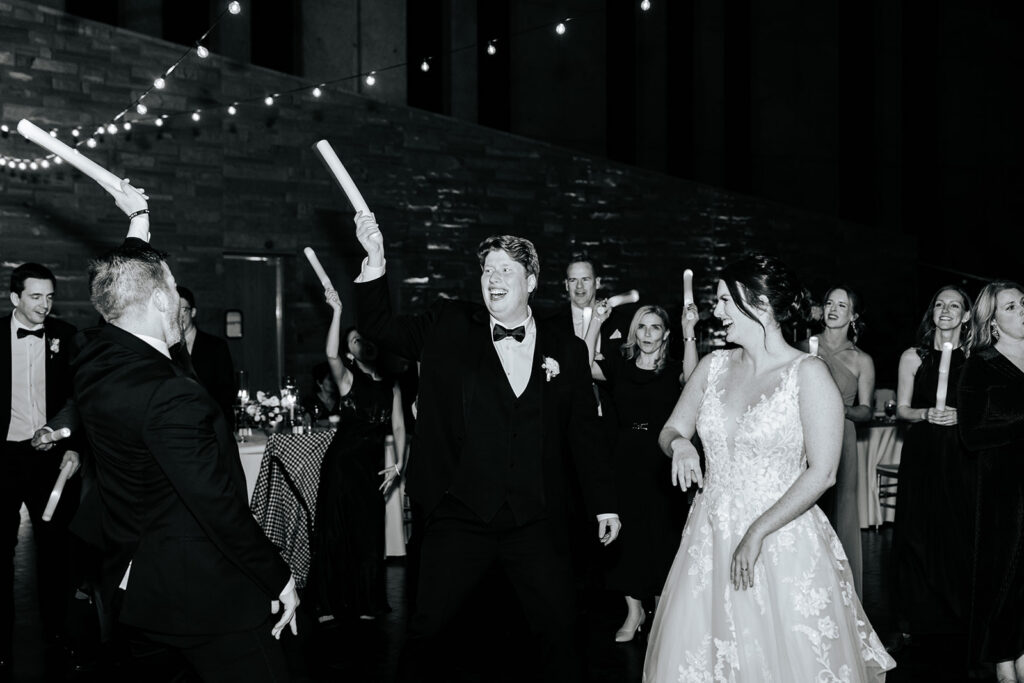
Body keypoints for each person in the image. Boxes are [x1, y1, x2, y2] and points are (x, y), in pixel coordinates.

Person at [350, 214, 619, 682]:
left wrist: (604, 504)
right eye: (487, 270)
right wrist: (375, 260)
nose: (493, 278)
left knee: (560, 631)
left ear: (530, 282)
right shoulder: (448, 323)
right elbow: (379, 326)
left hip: (535, 518)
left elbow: (583, 434)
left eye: (505, 270)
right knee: (428, 631)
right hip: (461, 512)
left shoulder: (567, 349)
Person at [70, 181, 298, 681]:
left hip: (134, 585)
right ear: (157, 299)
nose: (179, 297)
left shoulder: (95, 363)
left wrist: (139, 223)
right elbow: (216, 505)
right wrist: (277, 576)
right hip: (199, 594)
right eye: (173, 290)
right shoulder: (170, 394)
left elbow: (121, 289)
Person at [644, 254, 894, 681]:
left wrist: (757, 530)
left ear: (759, 303)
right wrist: (680, 444)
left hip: (781, 535)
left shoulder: (808, 374)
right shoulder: (712, 366)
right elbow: (670, 429)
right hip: (710, 534)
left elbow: (823, 472)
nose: (716, 311)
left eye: (725, 300)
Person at [586, 301, 698, 642]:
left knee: (663, 536)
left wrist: (689, 332)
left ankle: (661, 614)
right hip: (624, 461)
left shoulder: (676, 368)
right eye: (642, 327)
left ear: (665, 334)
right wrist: (596, 321)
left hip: (663, 461)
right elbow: (582, 364)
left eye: (655, 327)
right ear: (635, 332)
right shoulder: (620, 367)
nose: (648, 334)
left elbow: (695, 381)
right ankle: (634, 612)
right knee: (629, 538)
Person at [306, 288, 405, 622]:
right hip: (342, 466)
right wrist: (336, 312)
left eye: (363, 337)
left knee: (368, 533)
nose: (360, 341)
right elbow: (329, 353)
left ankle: (366, 602)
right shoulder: (348, 378)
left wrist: (399, 463)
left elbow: (399, 427)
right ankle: (328, 604)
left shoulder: (391, 384)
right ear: (350, 353)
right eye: (354, 340)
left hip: (371, 469)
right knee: (335, 532)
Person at [1, 263, 81, 672]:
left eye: (49, 297)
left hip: (49, 457)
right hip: (3, 458)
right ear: (15, 297)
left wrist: (71, 444)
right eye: (35, 297)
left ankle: (57, 638)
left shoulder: (67, 336)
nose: (44, 305)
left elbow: (80, 400)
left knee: (55, 553)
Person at [890, 285, 975, 648]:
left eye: (954, 305)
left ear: (966, 315)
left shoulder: (977, 358)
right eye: (939, 304)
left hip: (960, 451)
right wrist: (925, 413)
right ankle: (911, 618)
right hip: (922, 451)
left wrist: (962, 417)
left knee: (957, 529)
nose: (946, 310)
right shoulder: (914, 356)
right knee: (916, 529)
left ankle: (960, 617)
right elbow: (902, 409)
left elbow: (986, 411)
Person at [958, 280, 1024, 683]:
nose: (1022, 310)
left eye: (1023, 302)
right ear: (993, 320)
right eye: (1011, 307)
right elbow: (971, 435)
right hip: (1006, 484)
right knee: (1007, 571)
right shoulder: (981, 363)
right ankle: (1002, 658)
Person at [797, 286, 875, 597]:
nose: (832, 309)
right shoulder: (804, 348)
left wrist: (839, 407)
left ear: (853, 316)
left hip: (842, 436)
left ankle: (842, 593)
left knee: (840, 511)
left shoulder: (861, 359)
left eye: (842, 305)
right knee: (804, 506)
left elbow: (866, 410)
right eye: (829, 303)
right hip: (804, 432)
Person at [175, 286, 236, 421]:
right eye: (174, 310)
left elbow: (226, 392)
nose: (178, 316)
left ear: (193, 312)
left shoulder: (216, 346)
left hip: (210, 422)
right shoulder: (166, 347)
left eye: (183, 310)